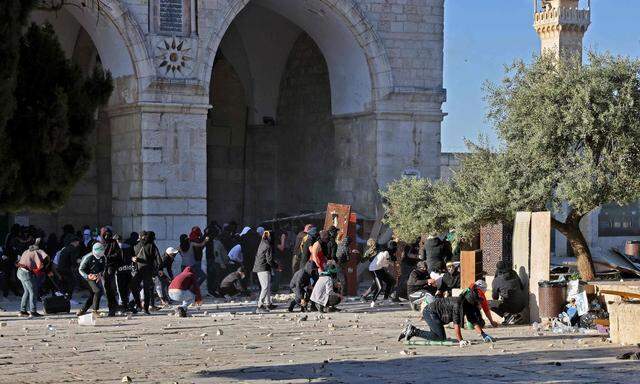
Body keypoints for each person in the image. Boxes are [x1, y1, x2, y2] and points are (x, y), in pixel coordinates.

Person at [397, 282, 497, 346]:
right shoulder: (458, 304)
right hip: (430, 312)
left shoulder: (469, 305)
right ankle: (413, 331)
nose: (479, 304)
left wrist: (484, 335)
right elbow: (456, 324)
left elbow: (474, 322)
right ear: (472, 300)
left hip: (437, 314)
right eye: (477, 301)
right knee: (440, 337)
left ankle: (412, 330)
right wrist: (460, 340)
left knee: (438, 335)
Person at [16, 239, 48, 317]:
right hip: (26, 273)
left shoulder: (27, 251)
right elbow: (39, 266)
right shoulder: (36, 252)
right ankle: (33, 312)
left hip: (20, 271)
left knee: (26, 291)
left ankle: (23, 311)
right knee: (33, 291)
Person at [132, 231, 160, 315]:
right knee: (146, 290)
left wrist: (134, 260)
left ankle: (138, 305)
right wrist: (156, 270)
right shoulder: (152, 246)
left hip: (139, 270)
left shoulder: (136, 245)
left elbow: (133, 257)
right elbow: (158, 260)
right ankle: (145, 308)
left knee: (133, 287)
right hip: (148, 271)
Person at [77, 243, 107, 317]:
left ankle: (82, 310)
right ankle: (95, 310)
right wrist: (88, 276)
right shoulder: (88, 257)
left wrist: (100, 274)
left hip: (96, 276)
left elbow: (103, 268)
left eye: (102, 251)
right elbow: (80, 269)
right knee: (97, 291)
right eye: (99, 252)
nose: (101, 254)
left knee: (94, 294)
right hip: (86, 277)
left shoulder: (103, 257)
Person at [253, 231, 278, 313]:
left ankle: (268, 304)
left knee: (267, 287)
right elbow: (269, 260)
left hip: (261, 267)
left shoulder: (263, 242)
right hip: (262, 268)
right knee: (265, 287)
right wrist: (276, 267)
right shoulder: (268, 245)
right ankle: (259, 306)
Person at [100, 227, 122, 316]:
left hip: (111, 267)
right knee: (107, 289)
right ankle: (112, 306)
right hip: (102, 269)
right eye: (105, 235)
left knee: (110, 288)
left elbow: (118, 254)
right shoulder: (99, 243)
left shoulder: (113, 243)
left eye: (108, 234)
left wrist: (109, 257)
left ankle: (113, 307)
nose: (106, 236)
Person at [368, 241, 398, 308]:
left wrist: (391, 261)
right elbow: (385, 264)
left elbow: (384, 263)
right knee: (380, 287)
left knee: (390, 282)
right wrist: (391, 262)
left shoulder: (387, 252)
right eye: (395, 247)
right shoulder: (386, 253)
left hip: (379, 269)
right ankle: (373, 302)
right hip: (374, 270)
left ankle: (385, 299)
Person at [114, 234, 136, 313]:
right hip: (128, 270)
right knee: (127, 288)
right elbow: (133, 257)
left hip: (119, 271)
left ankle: (122, 305)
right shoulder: (129, 246)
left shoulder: (115, 247)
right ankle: (127, 304)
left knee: (120, 289)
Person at [205, 231, 227, 297]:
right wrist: (224, 263)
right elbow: (221, 255)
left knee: (211, 277)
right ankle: (214, 291)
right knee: (217, 277)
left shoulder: (207, 242)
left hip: (210, 262)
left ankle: (211, 290)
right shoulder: (218, 243)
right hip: (216, 262)